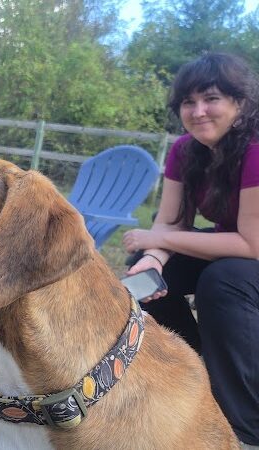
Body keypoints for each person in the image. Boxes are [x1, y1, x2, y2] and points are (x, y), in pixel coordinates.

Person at [122, 52, 259, 447]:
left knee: (224, 280)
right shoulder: (185, 151)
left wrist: (159, 240)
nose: (198, 111)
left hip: (247, 259)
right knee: (144, 278)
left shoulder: (253, 151)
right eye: (188, 102)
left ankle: (246, 427)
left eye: (211, 98)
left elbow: (250, 245)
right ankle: (196, 373)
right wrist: (153, 258)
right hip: (234, 254)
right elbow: (169, 222)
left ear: (240, 102)